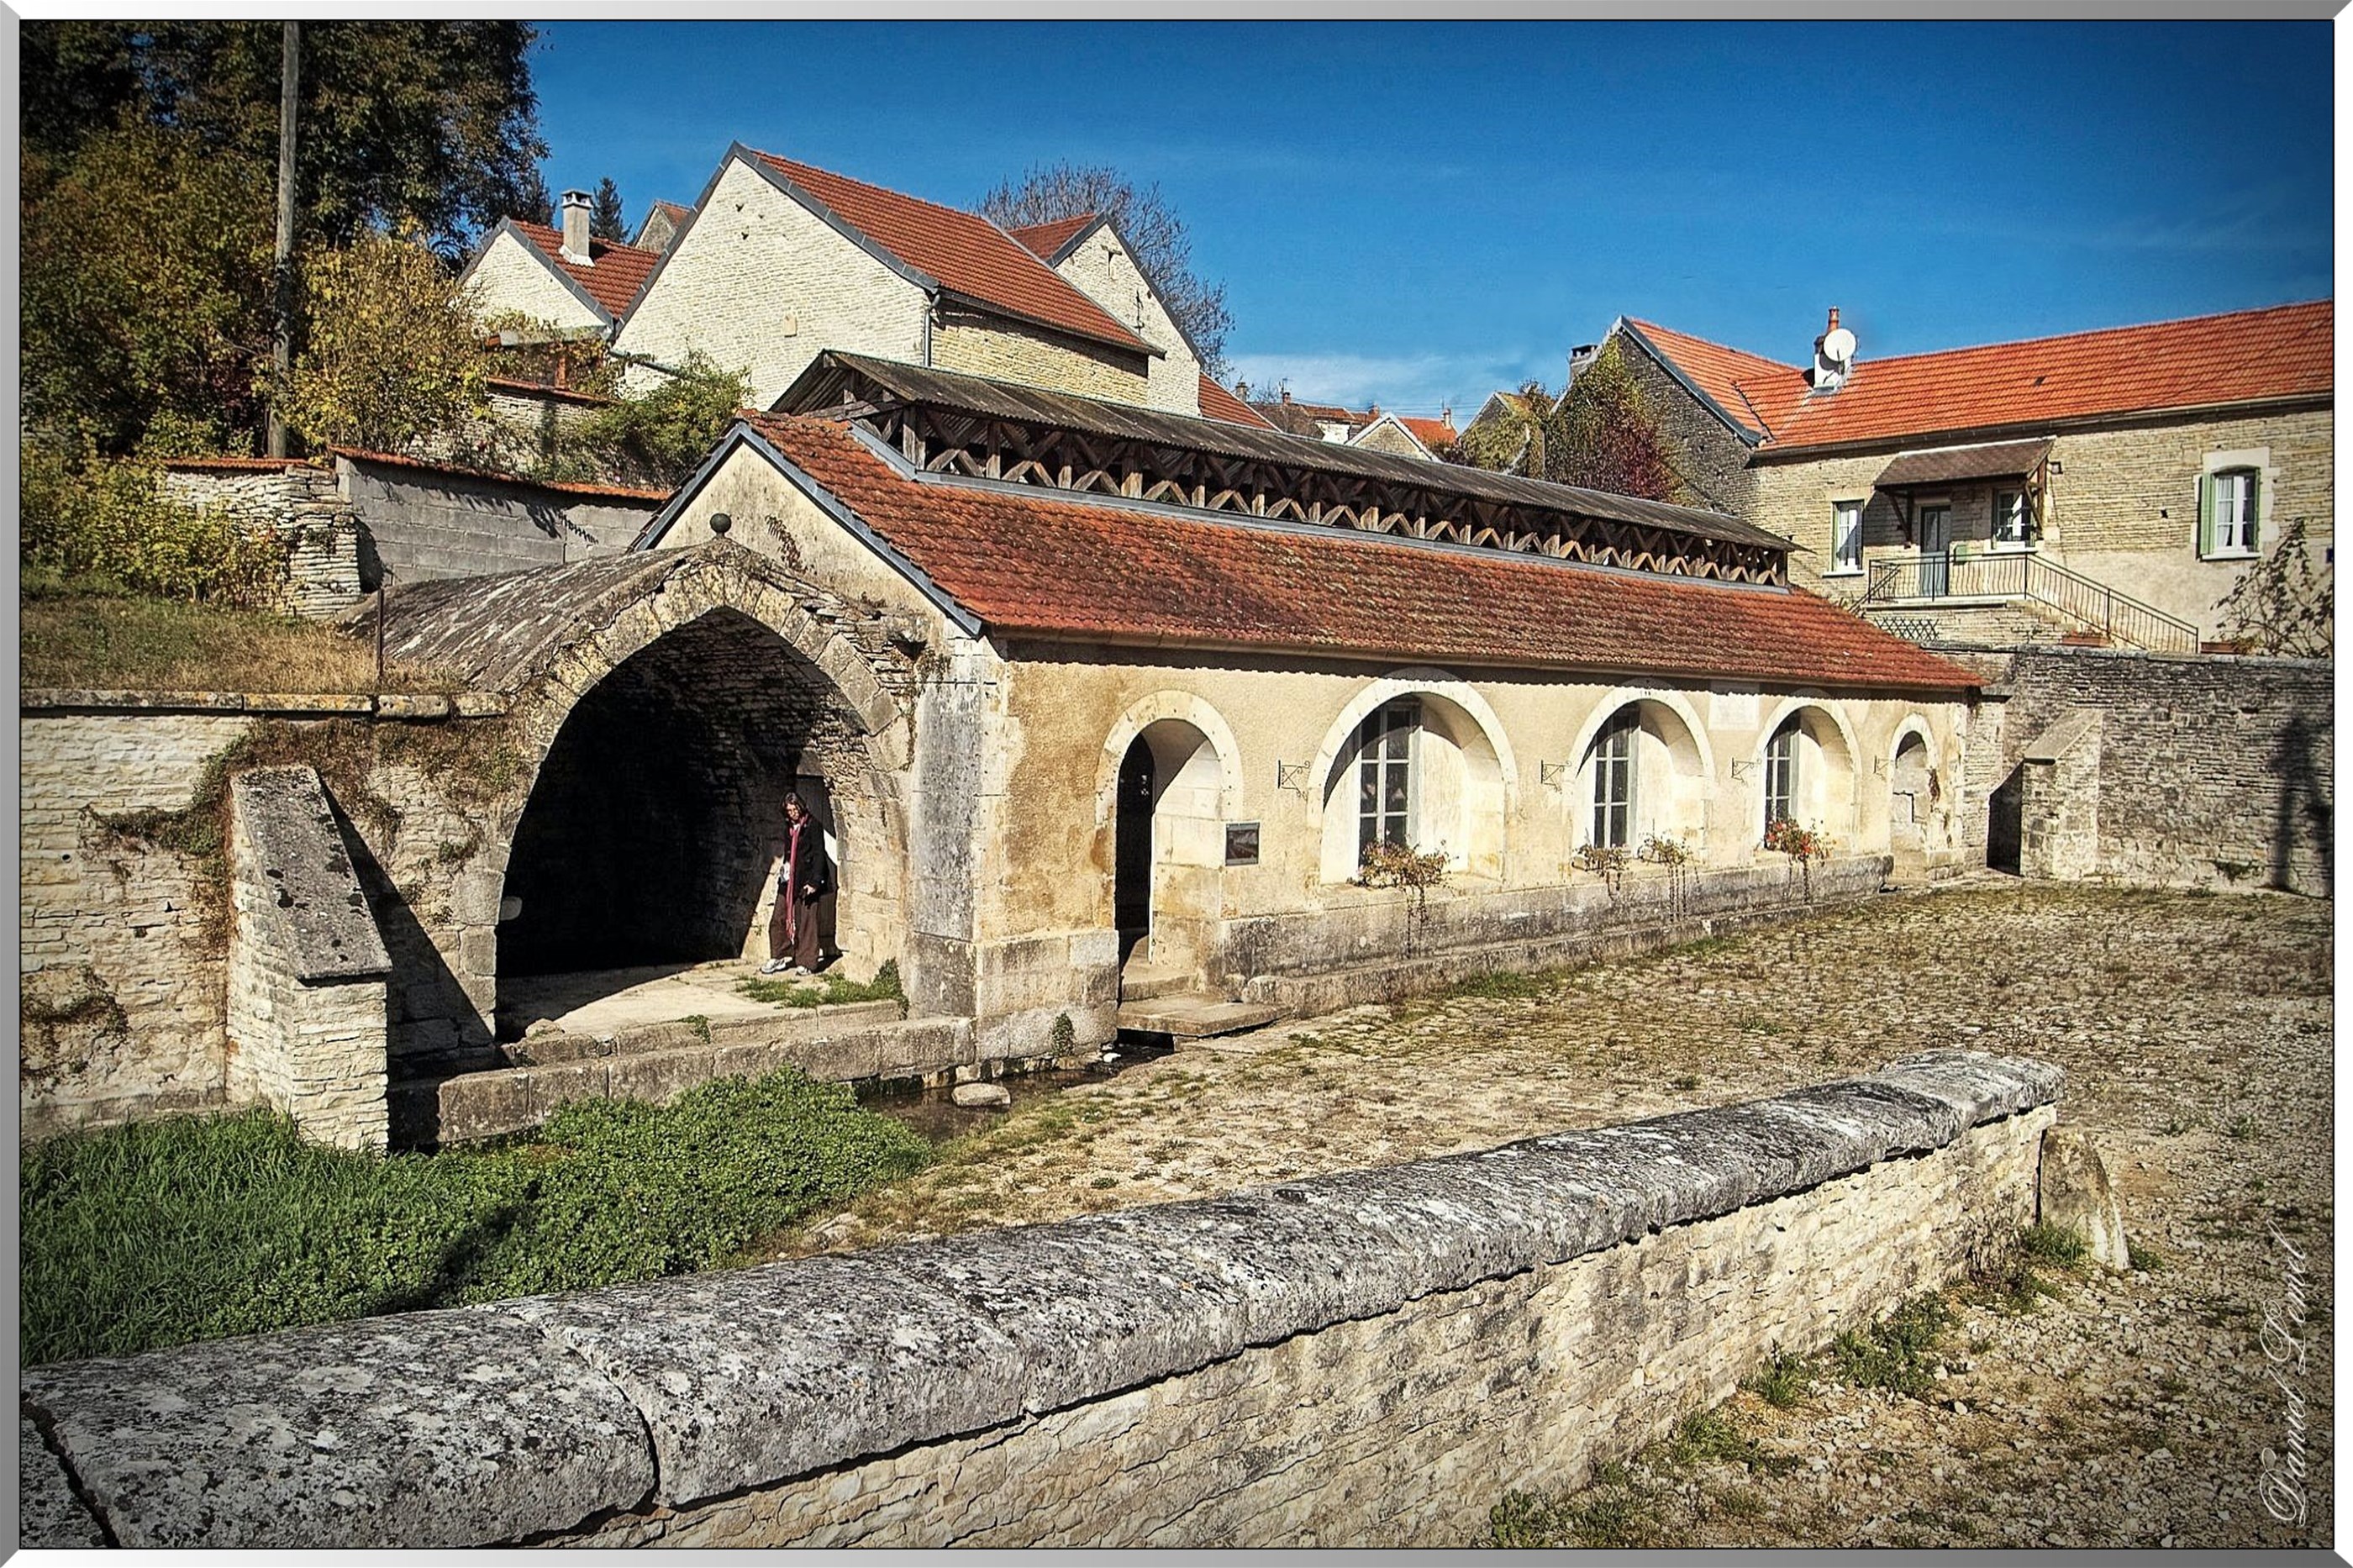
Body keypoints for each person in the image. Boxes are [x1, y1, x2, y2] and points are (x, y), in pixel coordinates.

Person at [762, 791, 834, 976]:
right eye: (789, 811)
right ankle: (778, 955)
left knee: (807, 922)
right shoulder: (788, 827)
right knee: (778, 917)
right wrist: (785, 872)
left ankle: (807, 962)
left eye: (795, 810)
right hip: (790, 878)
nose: (793, 813)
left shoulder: (812, 825)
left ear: (800, 807)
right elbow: (789, 854)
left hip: (808, 878)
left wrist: (815, 882)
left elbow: (819, 854)